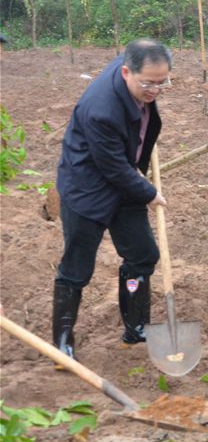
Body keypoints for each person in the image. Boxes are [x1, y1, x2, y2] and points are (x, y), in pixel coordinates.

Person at [53, 38, 172, 362]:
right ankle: (62, 343)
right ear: (125, 72)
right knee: (76, 268)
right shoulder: (101, 109)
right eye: (148, 83)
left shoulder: (139, 77)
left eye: (163, 82)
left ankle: (137, 329)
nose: (155, 90)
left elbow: (124, 164)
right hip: (87, 186)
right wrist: (149, 193)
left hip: (123, 180)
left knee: (143, 254)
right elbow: (113, 168)